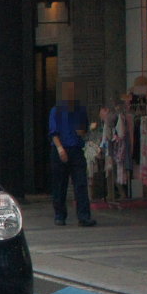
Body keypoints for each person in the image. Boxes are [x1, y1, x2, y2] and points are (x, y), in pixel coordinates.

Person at [49, 80, 96, 226]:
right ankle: (60, 215)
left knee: (81, 184)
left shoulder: (80, 110)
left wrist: (87, 128)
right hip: (61, 149)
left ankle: (83, 216)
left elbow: (82, 131)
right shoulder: (56, 110)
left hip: (76, 149)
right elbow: (53, 132)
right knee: (60, 184)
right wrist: (60, 148)